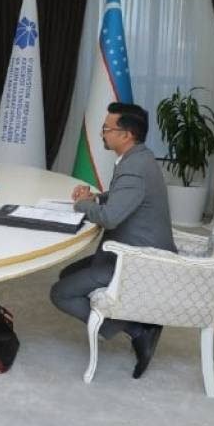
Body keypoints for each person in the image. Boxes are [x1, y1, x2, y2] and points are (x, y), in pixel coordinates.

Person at [49, 102, 176, 379]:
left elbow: (110, 218)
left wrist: (82, 206)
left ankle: (136, 329)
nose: (102, 133)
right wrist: (95, 198)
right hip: (136, 248)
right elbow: (125, 197)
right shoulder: (140, 158)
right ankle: (131, 322)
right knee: (67, 273)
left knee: (60, 293)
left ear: (126, 135)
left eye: (107, 129)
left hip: (138, 260)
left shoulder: (133, 168)